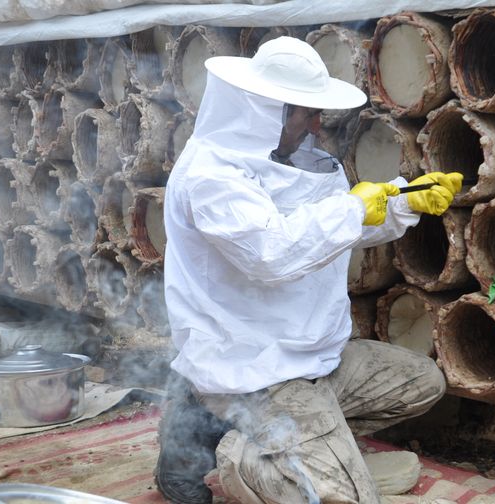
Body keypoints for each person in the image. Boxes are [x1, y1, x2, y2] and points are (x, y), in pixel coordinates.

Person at [154, 36, 464, 504]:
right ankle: (237, 445)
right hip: (251, 370)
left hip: (312, 358)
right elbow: (272, 254)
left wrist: (403, 201)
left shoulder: (293, 161)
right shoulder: (210, 178)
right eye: (306, 113)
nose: (318, 125)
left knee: (422, 384)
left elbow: (325, 233)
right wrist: (354, 210)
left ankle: (273, 437)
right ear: (267, 110)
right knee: (345, 499)